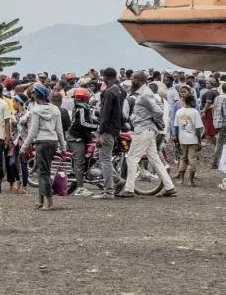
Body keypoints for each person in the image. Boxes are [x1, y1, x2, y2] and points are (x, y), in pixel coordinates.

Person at [119, 79, 176, 198]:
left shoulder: (144, 94)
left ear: (139, 80)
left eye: (134, 79)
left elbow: (158, 111)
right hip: (148, 129)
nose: (132, 81)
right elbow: (159, 107)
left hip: (144, 129)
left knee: (132, 158)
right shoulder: (146, 93)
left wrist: (154, 120)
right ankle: (169, 187)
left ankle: (129, 189)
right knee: (155, 159)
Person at [20, 85, 66, 210]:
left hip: (42, 142)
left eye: (34, 94)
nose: (32, 96)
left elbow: (33, 132)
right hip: (53, 142)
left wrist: (23, 148)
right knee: (42, 171)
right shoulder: (55, 109)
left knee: (44, 173)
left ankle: (50, 203)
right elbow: (59, 130)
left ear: (37, 95)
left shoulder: (35, 110)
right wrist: (63, 147)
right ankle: (40, 201)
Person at [92, 68, 125, 200]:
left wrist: (100, 134)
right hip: (116, 128)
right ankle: (117, 180)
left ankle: (108, 191)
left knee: (104, 160)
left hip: (107, 129)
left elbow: (105, 115)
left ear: (105, 77)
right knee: (105, 159)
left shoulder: (109, 92)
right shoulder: (121, 90)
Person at [66, 87, 97, 196]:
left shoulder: (82, 107)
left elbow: (90, 119)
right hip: (76, 138)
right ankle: (80, 188)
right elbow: (83, 124)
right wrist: (97, 127)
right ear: (85, 98)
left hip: (80, 137)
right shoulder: (81, 108)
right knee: (80, 162)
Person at [173, 93, 204, 186]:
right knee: (192, 159)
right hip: (193, 139)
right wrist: (199, 141)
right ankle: (191, 180)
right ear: (191, 101)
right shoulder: (195, 112)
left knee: (183, 158)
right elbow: (198, 128)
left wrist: (177, 141)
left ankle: (181, 179)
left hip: (182, 139)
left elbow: (176, 127)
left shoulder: (179, 112)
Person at [210, 82, 226, 169]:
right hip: (224, 123)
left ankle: (223, 161)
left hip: (217, 122)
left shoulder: (217, 97)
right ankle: (215, 163)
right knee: (220, 143)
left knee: (222, 142)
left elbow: (213, 110)